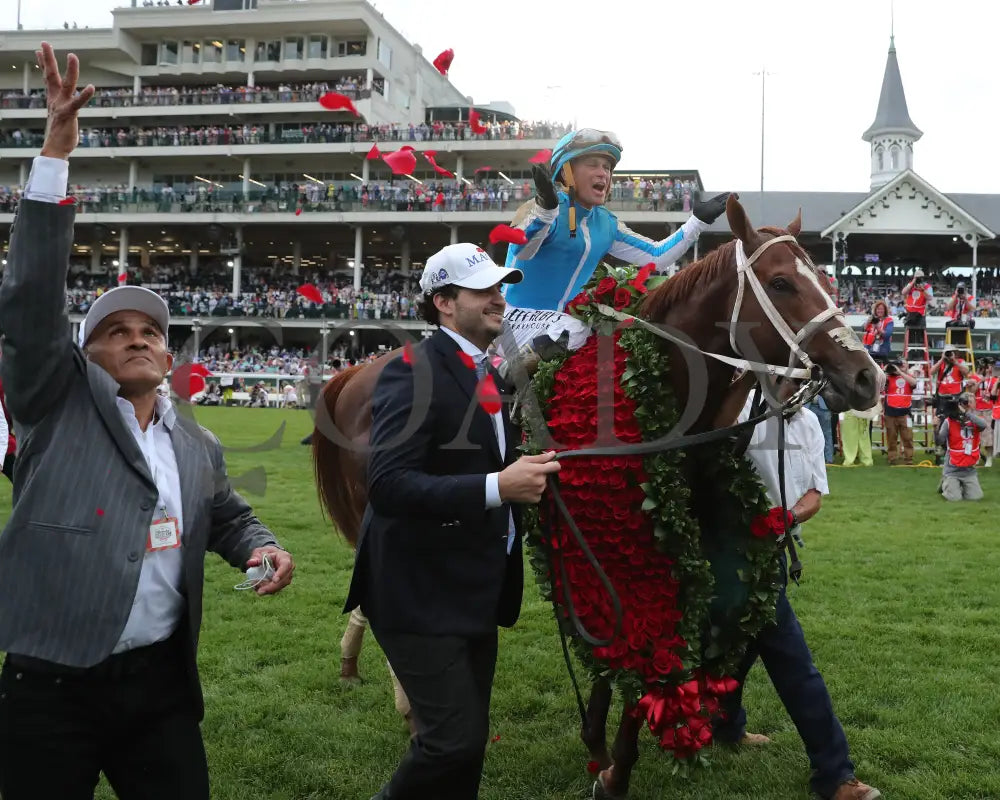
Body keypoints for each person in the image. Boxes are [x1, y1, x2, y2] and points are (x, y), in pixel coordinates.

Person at [0, 43, 295, 800]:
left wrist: (261, 547)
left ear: (168, 357)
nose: (137, 337)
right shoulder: (51, 404)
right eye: (114, 329)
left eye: (152, 331)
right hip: (51, 683)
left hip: (160, 685)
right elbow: (32, 299)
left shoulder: (196, 441)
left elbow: (224, 514)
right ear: (84, 354)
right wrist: (56, 150)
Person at [344, 242, 560, 799]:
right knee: (452, 742)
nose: (499, 299)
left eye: (500, 288)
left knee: (465, 745)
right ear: (443, 302)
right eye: (483, 289)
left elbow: (470, 461)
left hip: (470, 587)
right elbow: (387, 484)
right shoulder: (412, 369)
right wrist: (499, 486)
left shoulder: (481, 368)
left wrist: (515, 475)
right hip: (415, 591)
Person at [713, 386, 881, 800]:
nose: (798, 385)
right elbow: (714, 440)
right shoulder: (740, 408)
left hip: (773, 552)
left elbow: (814, 494)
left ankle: (724, 727)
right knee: (793, 661)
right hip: (730, 554)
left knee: (743, 647)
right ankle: (834, 775)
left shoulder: (808, 422)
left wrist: (783, 517)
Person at [501, 129, 730, 356]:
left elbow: (656, 257)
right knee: (573, 329)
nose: (603, 174)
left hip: (559, 326)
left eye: (607, 168)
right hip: (512, 316)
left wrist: (697, 222)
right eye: (593, 164)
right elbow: (522, 252)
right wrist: (546, 212)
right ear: (566, 173)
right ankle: (504, 376)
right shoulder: (537, 207)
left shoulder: (607, 224)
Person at [935, 392, 986, 501]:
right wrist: (936, 428)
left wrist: (966, 414)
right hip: (952, 469)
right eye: (968, 402)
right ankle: (946, 482)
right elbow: (940, 441)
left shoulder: (976, 420)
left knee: (976, 497)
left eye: (972, 402)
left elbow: (983, 425)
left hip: (969, 469)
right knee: (954, 498)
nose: (970, 405)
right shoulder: (949, 422)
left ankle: (958, 486)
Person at [882, 360, 918, 465]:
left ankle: (908, 458)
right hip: (890, 412)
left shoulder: (909, 377)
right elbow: (878, 380)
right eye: (898, 365)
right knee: (891, 437)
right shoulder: (888, 378)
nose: (900, 366)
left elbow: (914, 383)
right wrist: (886, 369)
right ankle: (892, 458)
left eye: (903, 364)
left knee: (907, 438)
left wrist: (901, 373)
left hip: (905, 412)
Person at [839, 401, 879, 467]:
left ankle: (866, 460)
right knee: (850, 437)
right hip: (851, 410)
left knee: (863, 437)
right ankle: (850, 460)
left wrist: (874, 416)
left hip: (863, 411)